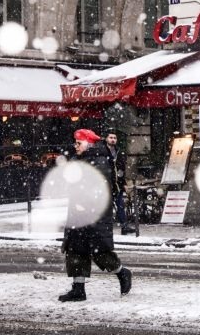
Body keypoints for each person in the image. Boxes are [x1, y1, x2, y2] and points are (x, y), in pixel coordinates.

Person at [59, 128, 132, 302]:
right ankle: (78, 289)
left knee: (100, 252)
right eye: (75, 142)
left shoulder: (99, 161)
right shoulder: (80, 159)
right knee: (75, 249)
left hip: (94, 215)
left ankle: (122, 273)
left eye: (79, 142)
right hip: (78, 214)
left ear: (88, 143)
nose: (75, 146)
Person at [104, 130, 127, 226]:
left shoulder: (118, 151)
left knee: (120, 205)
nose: (113, 140)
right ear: (106, 139)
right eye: (111, 137)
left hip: (118, 185)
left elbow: (122, 168)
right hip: (107, 184)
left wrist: (123, 182)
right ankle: (105, 225)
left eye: (114, 138)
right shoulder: (103, 151)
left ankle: (124, 225)